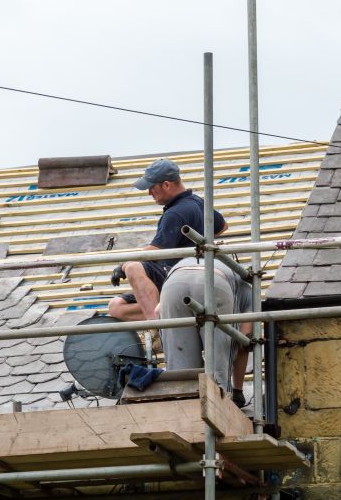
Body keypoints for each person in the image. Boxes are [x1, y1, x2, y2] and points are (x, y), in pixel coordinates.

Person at [107, 158, 226, 321]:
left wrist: (123, 264)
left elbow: (155, 252)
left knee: (133, 267)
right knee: (116, 307)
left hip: (179, 276)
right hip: (192, 274)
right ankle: (163, 312)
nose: (149, 193)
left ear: (166, 185)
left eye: (151, 187)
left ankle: (157, 328)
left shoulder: (175, 213)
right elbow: (222, 227)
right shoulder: (198, 203)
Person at [158, 256, 252, 407]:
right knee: (219, 366)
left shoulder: (190, 260)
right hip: (215, 283)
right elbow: (243, 342)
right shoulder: (246, 288)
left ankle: (186, 411)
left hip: (172, 285)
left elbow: (158, 311)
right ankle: (222, 407)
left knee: (182, 373)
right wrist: (237, 390)